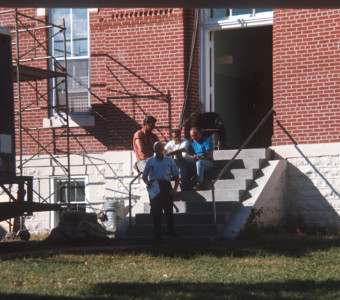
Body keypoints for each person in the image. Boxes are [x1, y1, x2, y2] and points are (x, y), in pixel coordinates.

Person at [143, 141, 180, 244]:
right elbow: (144, 175)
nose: (158, 151)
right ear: (154, 150)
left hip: (165, 186)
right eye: (156, 149)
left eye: (160, 149)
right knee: (156, 212)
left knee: (168, 210)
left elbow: (176, 175)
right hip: (154, 187)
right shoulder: (150, 161)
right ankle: (157, 236)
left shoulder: (169, 161)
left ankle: (171, 230)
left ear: (163, 149)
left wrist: (175, 189)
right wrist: (147, 182)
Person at [181, 127, 214, 191]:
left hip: (207, 162)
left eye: (194, 135)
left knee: (199, 162)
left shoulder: (207, 141)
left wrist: (200, 157)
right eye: (191, 136)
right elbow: (190, 154)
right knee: (183, 163)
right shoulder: (192, 143)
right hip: (196, 161)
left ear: (200, 133)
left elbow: (209, 154)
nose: (193, 138)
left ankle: (199, 184)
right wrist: (188, 158)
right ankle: (183, 183)